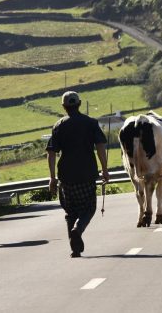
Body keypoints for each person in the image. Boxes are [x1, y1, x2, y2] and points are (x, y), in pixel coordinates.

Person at [47, 91, 110, 258]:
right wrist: (104, 169)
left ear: (64, 106)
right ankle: (78, 229)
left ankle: (74, 248)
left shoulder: (58, 126)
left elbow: (51, 153)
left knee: (71, 211)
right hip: (87, 174)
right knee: (88, 208)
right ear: (79, 104)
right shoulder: (91, 123)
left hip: (66, 176)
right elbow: (100, 147)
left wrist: (52, 177)